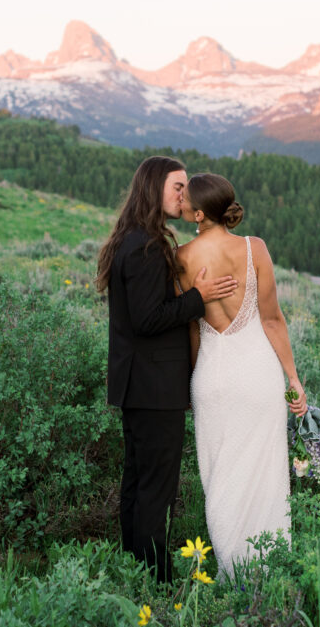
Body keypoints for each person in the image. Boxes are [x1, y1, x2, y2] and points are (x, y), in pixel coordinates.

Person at [96, 156, 237, 584]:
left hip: (140, 384)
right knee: (155, 490)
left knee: (139, 485)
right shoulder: (145, 246)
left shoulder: (138, 238)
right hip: (154, 386)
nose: (184, 194)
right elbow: (148, 319)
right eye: (177, 187)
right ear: (154, 187)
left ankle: (134, 571)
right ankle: (156, 581)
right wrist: (199, 295)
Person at [175, 172, 308, 580]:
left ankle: (231, 572)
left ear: (199, 213)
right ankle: (267, 572)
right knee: (264, 474)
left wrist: (193, 380)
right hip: (257, 374)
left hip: (213, 377)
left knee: (219, 475)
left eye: (185, 198)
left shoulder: (181, 257)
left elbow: (192, 328)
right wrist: (293, 378)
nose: (179, 201)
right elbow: (271, 320)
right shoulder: (255, 248)